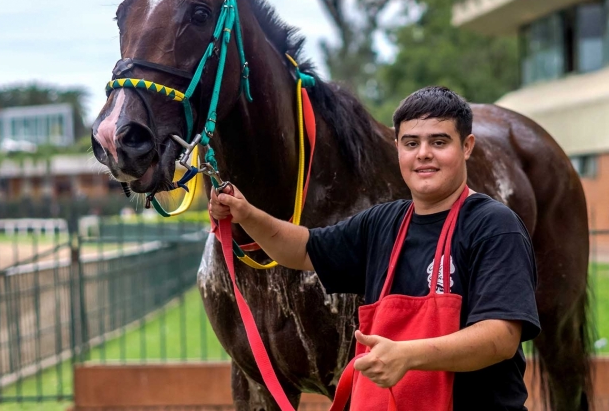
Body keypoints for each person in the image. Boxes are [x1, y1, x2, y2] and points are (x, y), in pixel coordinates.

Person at [209, 86, 540, 410]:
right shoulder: (382, 224)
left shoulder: (495, 226)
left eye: (439, 142)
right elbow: (302, 249)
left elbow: (501, 338)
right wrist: (247, 214)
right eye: (412, 143)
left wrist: (408, 356)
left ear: (467, 146)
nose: (423, 153)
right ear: (398, 148)